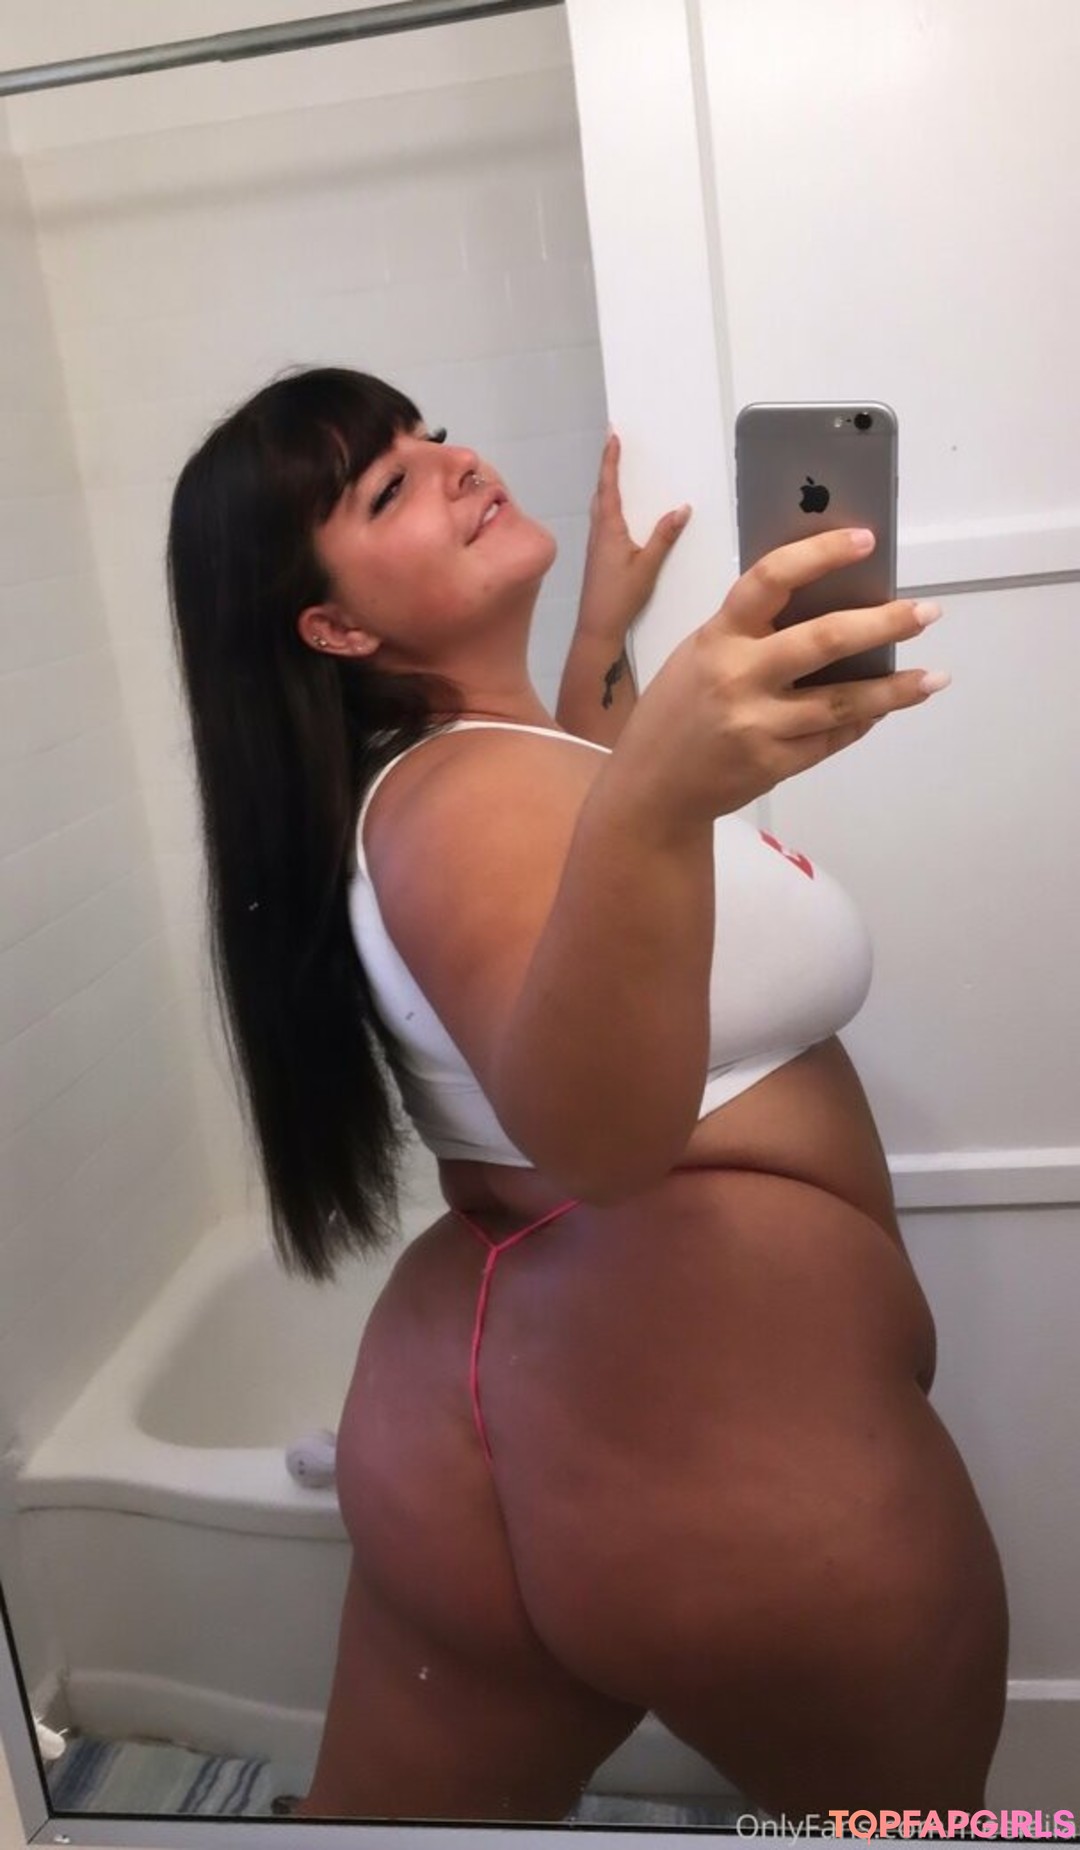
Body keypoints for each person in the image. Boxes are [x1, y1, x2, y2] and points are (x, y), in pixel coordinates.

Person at [167, 367, 1008, 1823]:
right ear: (337, 629)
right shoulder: (460, 803)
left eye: (430, 433)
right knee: (932, 1836)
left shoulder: (476, 773)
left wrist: (604, 646)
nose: (452, 461)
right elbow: (600, 1138)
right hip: (708, 1450)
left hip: (487, 1415)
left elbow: (581, 894)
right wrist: (666, 786)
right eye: (387, 487)